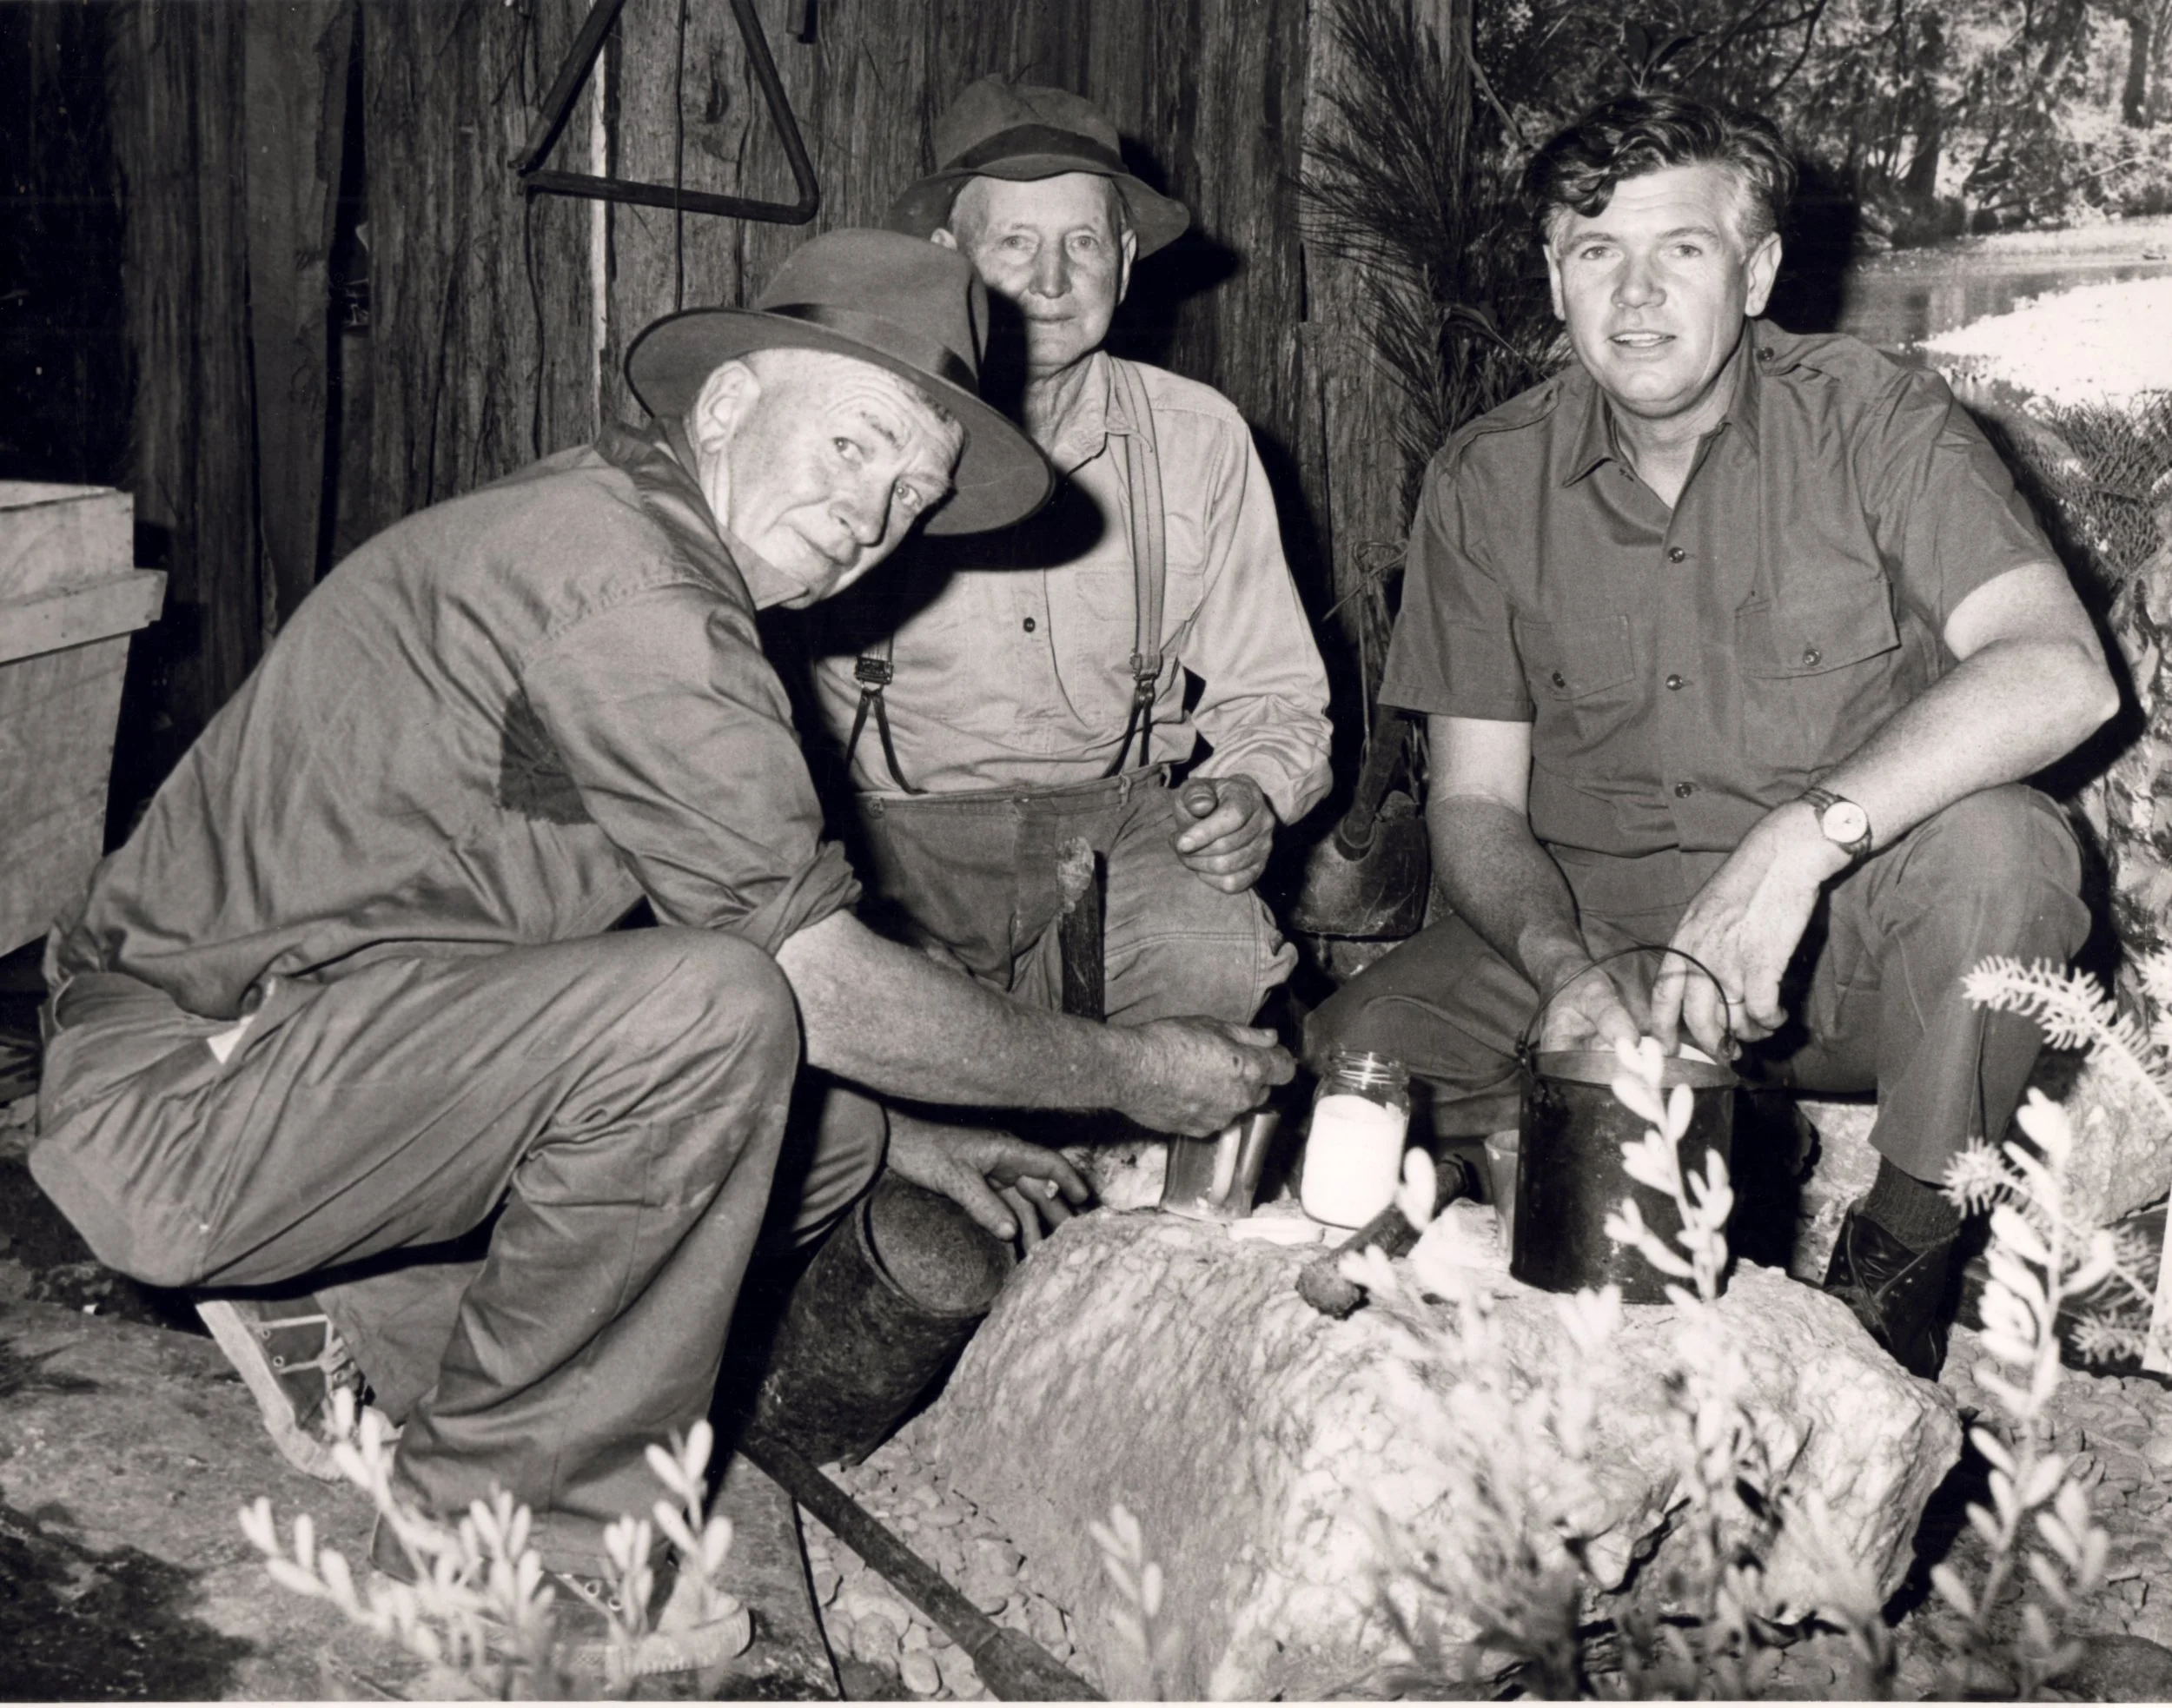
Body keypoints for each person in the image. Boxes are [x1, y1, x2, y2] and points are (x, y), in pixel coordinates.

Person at [29, 228, 1289, 1672]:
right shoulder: (634, 592)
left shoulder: (634, 538)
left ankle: (345, 1310)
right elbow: (790, 983)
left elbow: (625, 940)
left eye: (909, 495)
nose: (873, 514)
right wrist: (1126, 1071)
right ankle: (501, 1570)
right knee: (720, 1016)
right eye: (857, 443)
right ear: (731, 401)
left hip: (296, 1043)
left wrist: (909, 1132)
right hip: (182, 1096)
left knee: (807, 1132)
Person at [1305, 94, 2116, 1380]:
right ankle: (1714, 1146)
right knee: (1337, 1082)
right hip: (1590, 943)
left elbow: (2061, 675)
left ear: (1758, 272)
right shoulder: (1483, 478)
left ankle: (1890, 1272)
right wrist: (1563, 963)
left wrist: (1797, 847)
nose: (1635, 295)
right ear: (1553, 278)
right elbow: (1472, 806)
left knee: (2006, 857)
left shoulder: (1874, 418)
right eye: (1594, 252)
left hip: (1836, 953)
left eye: (1680, 249)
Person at [790, 81, 1332, 1238]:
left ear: (1127, 262)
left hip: (1111, 836)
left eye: (1082, 242)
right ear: (946, 255)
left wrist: (1251, 789)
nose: (1047, 281)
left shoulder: (1198, 438)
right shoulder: (860, 430)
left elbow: (1280, 696)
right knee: (883, 1186)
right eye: (1013, 245)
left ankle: (1155, 1246)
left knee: (1216, 943)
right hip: (891, 857)